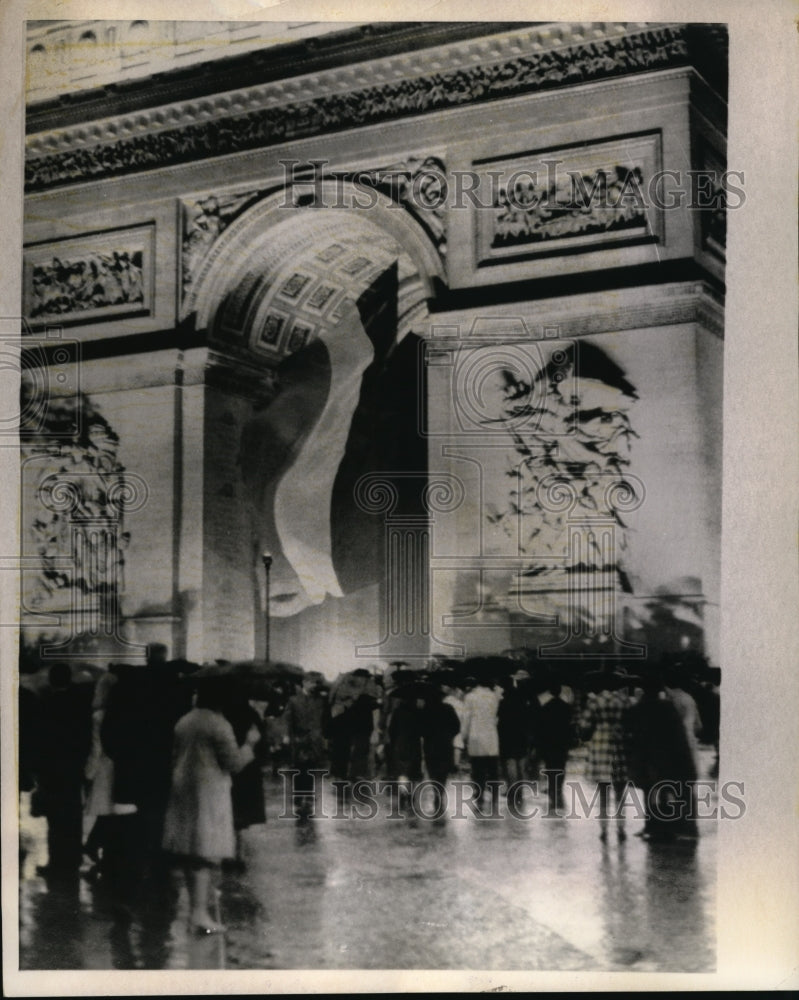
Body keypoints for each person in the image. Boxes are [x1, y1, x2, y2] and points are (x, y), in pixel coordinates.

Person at [162, 677, 260, 934]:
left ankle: (197, 910)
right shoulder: (218, 724)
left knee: (189, 850)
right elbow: (234, 763)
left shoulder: (186, 720)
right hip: (208, 789)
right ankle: (199, 914)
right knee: (204, 853)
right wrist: (250, 744)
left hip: (183, 787)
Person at [32, 662, 93, 877]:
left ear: (51, 680)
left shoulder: (46, 704)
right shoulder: (81, 703)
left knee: (55, 817)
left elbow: (40, 739)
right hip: (73, 768)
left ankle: (57, 862)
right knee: (72, 813)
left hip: (51, 770)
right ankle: (73, 859)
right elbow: (86, 737)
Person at [625, 674, 699, 842]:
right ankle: (680, 827)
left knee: (651, 794)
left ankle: (654, 827)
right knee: (674, 793)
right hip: (671, 757)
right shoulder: (667, 707)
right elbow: (677, 735)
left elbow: (632, 733)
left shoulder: (638, 708)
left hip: (650, 760)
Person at [578, 667, 635, 842]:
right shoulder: (624, 701)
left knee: (602, 791)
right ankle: (621, 827)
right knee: (620, 791)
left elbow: (585, 725)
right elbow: (631, 724)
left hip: (600, 744)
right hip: (619, 744)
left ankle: (603, 828)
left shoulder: (595, 702)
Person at [224, 689, 266, 869]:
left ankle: (229, 851)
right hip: (249, 769)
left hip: (228, 767)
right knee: (242, 813)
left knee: (229, 809)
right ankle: (238, 852)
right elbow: (262, 743)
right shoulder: (252, 715)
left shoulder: (222, 716)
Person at [284, 674, 328, 824]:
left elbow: (323, 720)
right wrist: (287, 736)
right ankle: (298, 796)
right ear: (304, 683)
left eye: (316, 683)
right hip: (299, 739)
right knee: (299, 768)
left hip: (314, 740)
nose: (314, 685)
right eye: (311, 682)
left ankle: (308, 796)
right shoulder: (293, 700)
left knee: (311, 768)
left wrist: (323, 737)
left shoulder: (320, 701)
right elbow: (288, 719)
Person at [461, 668, 502, 814]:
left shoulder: (470, 697)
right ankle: (495, 797)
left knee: (477, 770)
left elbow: (466, 719)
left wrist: (463, 737)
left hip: (475, 736)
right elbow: (496, 716)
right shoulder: (494, 696)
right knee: (492, 769)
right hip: (491, 735)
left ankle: (479, 798)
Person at [420, 686, 461, 823]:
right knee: (443, 770)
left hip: (430, 744)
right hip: (445, 743)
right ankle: (440, 791)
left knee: (432, 769)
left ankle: (436, 789)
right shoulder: (448, 708)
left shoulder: (425, 710)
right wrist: (449, 735)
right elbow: (457, 726)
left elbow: (421, 729)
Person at [536, 683, 574, 812]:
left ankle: (552, 788)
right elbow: (570, 726)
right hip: (562, 742)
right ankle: (558, 788)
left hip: (549, 741)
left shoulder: (545, 707)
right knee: (561, 765)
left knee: (550, 765)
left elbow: (540, 727)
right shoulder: (566, 707)